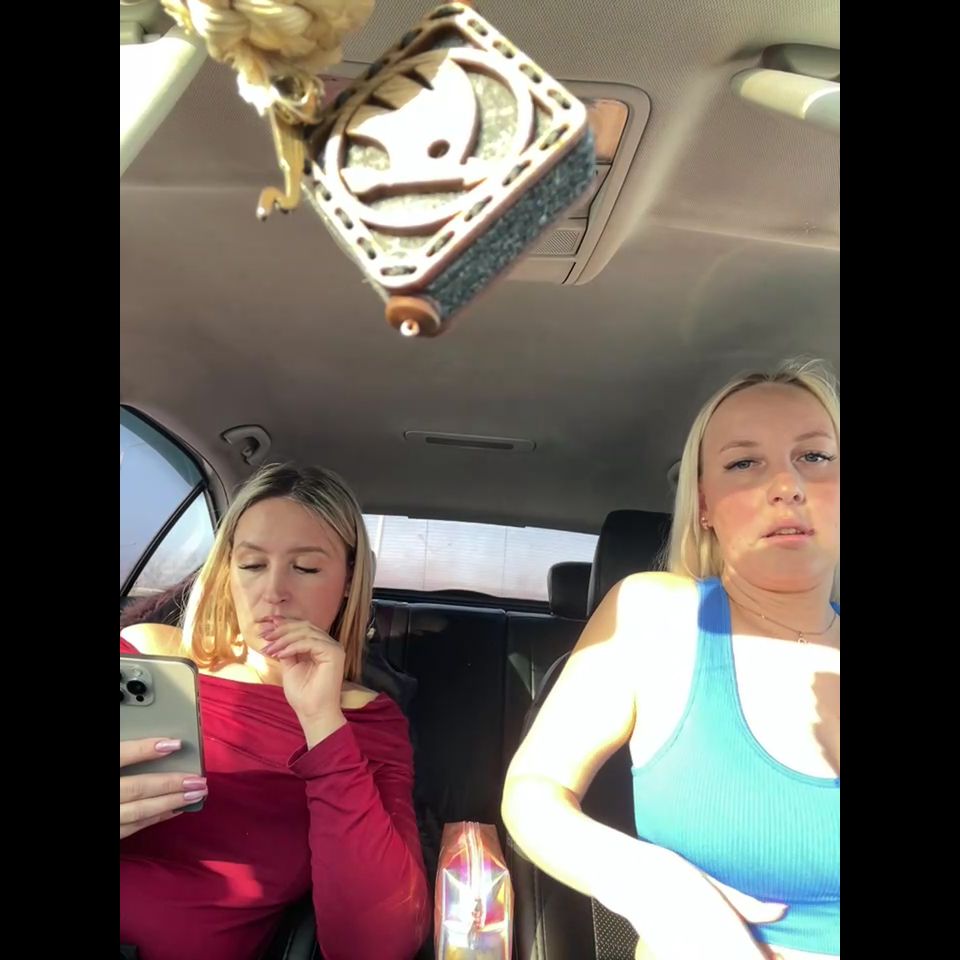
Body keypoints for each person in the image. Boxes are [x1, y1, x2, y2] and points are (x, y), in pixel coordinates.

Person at [502, 360, 840, 960]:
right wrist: (653, 886)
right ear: (705, 505)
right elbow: (532, 792)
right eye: (744, 463)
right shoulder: (655, 616)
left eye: (814, 456)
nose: (787, 484)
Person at [120, 463, 430, 960]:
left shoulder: (368, 722)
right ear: (227, 571)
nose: (274, 592)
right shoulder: (144, 655)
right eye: (251, 565)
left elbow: (376, 945)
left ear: (349, 580)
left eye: (305, 568)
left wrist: (322, 724)